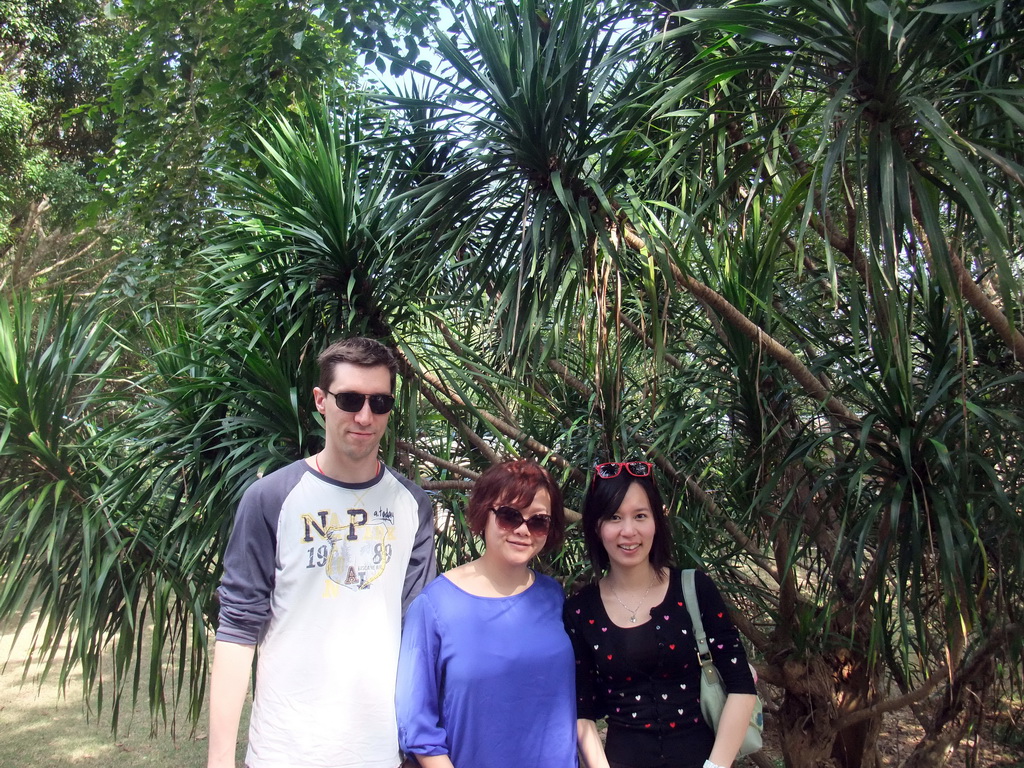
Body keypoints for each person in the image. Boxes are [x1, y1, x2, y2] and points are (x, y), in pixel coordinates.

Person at [208, 337, 436, 768]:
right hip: (286, 750)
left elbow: (417, 636)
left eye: (380, 402)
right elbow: (237, 630)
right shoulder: (271, 498)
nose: (365, 416)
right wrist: (219, 760)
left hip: (380, 751)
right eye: (349, 399)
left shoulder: (412, 505)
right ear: (321, 400)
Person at [563, 461, 757, 768]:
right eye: (614, 517)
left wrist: (715, 766)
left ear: (657, 520)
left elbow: (741, 687)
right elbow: (582, 711)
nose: (629, 531)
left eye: (640, 516)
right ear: (596, 527)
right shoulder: (580, 610)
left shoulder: (694, 588)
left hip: (703, 759)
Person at [396, 460, 578, 768]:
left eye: (538, 522)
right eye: (509, 516)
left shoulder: (552, 597)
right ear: (483, 514)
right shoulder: (435, 605)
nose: (523, 530)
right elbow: (417, 723)